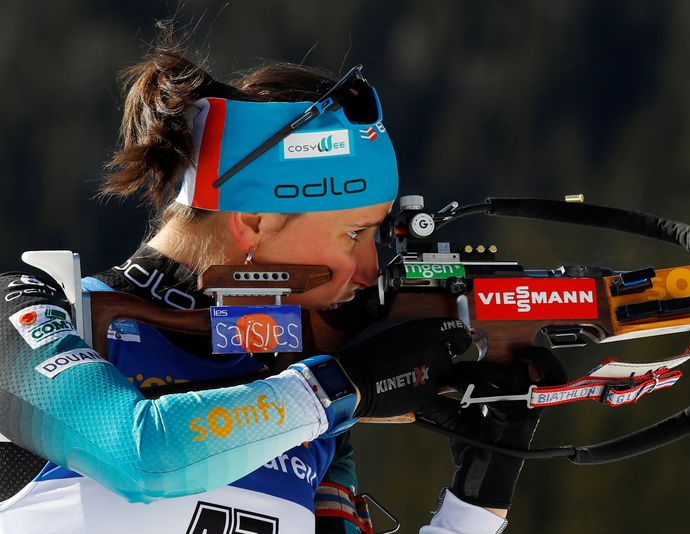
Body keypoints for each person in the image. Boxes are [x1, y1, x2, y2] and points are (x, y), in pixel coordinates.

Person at [0, 26, 542, 534]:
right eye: (354, 233)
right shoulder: (42, 314)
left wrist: (476, 498)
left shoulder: (300, 394)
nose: (371, 270)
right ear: (255, 220)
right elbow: (143, 455)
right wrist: (341, 384)